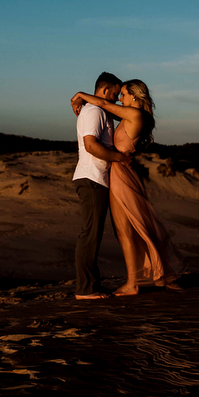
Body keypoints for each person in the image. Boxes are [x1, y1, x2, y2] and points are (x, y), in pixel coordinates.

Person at [71, 80, 184, 296]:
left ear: (134, 96)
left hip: (122, 174)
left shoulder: (136, 116)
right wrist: (84, 98)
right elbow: (102, 107)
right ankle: (146, 276)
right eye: (118, 94)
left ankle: (134, 282)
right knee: (126, 228)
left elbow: (103, 105)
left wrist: (81, 94)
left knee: (127, 229)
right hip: (117, 173)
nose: (119, 98)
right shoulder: (126, 115)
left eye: (122, 94)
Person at [71, 72, 130, 300]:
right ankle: (85, 290)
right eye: (115, 94)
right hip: (91, 179)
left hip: (97, 179)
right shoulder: (94, 111)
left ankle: (91, 285)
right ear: (104, 91)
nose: (115, 99)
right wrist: (120, 158)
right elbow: (91, 146)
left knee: (93, 234)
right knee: (90, 234)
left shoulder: (98, 110)